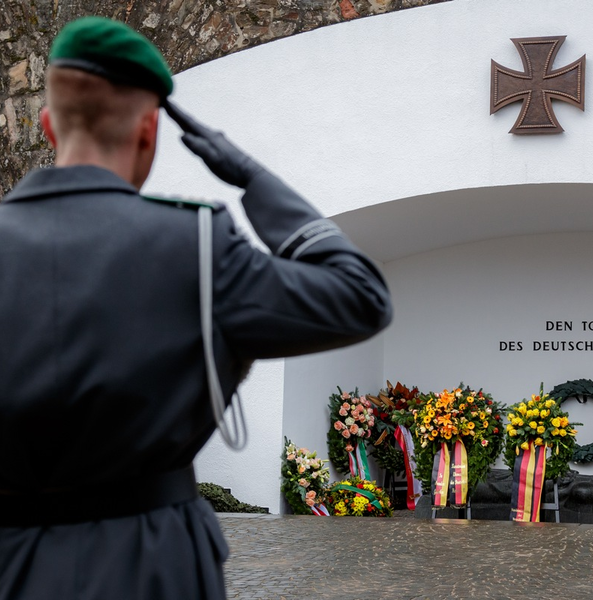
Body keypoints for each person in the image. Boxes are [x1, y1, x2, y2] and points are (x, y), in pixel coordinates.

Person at [0, 16, 392, 600]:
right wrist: (255, 180)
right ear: (148, 132)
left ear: (49, 127)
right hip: (152, 566)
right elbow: (361, 297)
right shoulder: (201, 249)